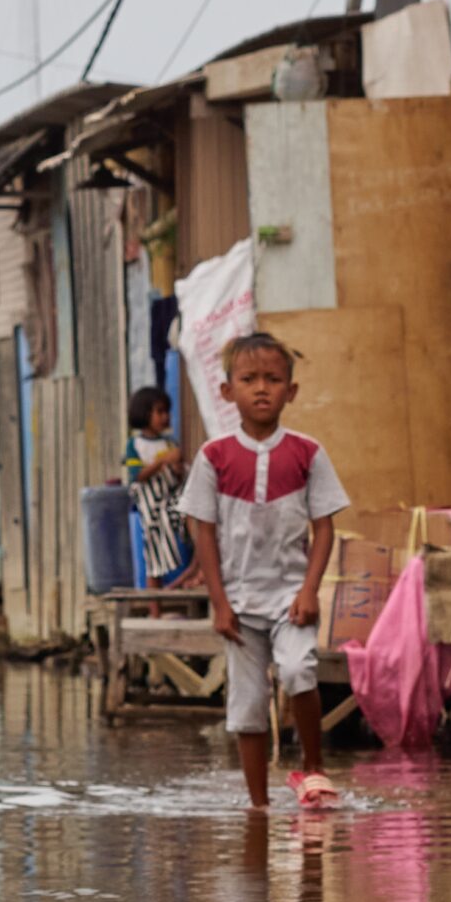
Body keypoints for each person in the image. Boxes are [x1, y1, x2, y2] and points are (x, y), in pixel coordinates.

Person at [179, 332, 349, 810]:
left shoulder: (307, 453)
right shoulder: (213, 457)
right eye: (248, 379)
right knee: (248, 707)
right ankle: (259, 807)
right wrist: (219, 603)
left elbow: (324, 530)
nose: (261, 389)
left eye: (273, 380)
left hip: (292, 597)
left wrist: (310, 590)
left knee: (298, 670)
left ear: (290, 392)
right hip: (238, 602)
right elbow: (204, 533)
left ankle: (313, 769)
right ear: (227, 390)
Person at [123, 384, 189, 586]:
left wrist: (177, 470)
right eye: (159, 412)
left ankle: (192, 569)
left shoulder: (170, 443)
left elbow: (177, 478)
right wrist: (162, 462)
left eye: (166, 411)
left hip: (169, 498)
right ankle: (155, 608)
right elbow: (137, 476)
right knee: (153, 551)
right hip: (150, 503)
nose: (165, 417)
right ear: (144, 413)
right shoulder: (134, 445)